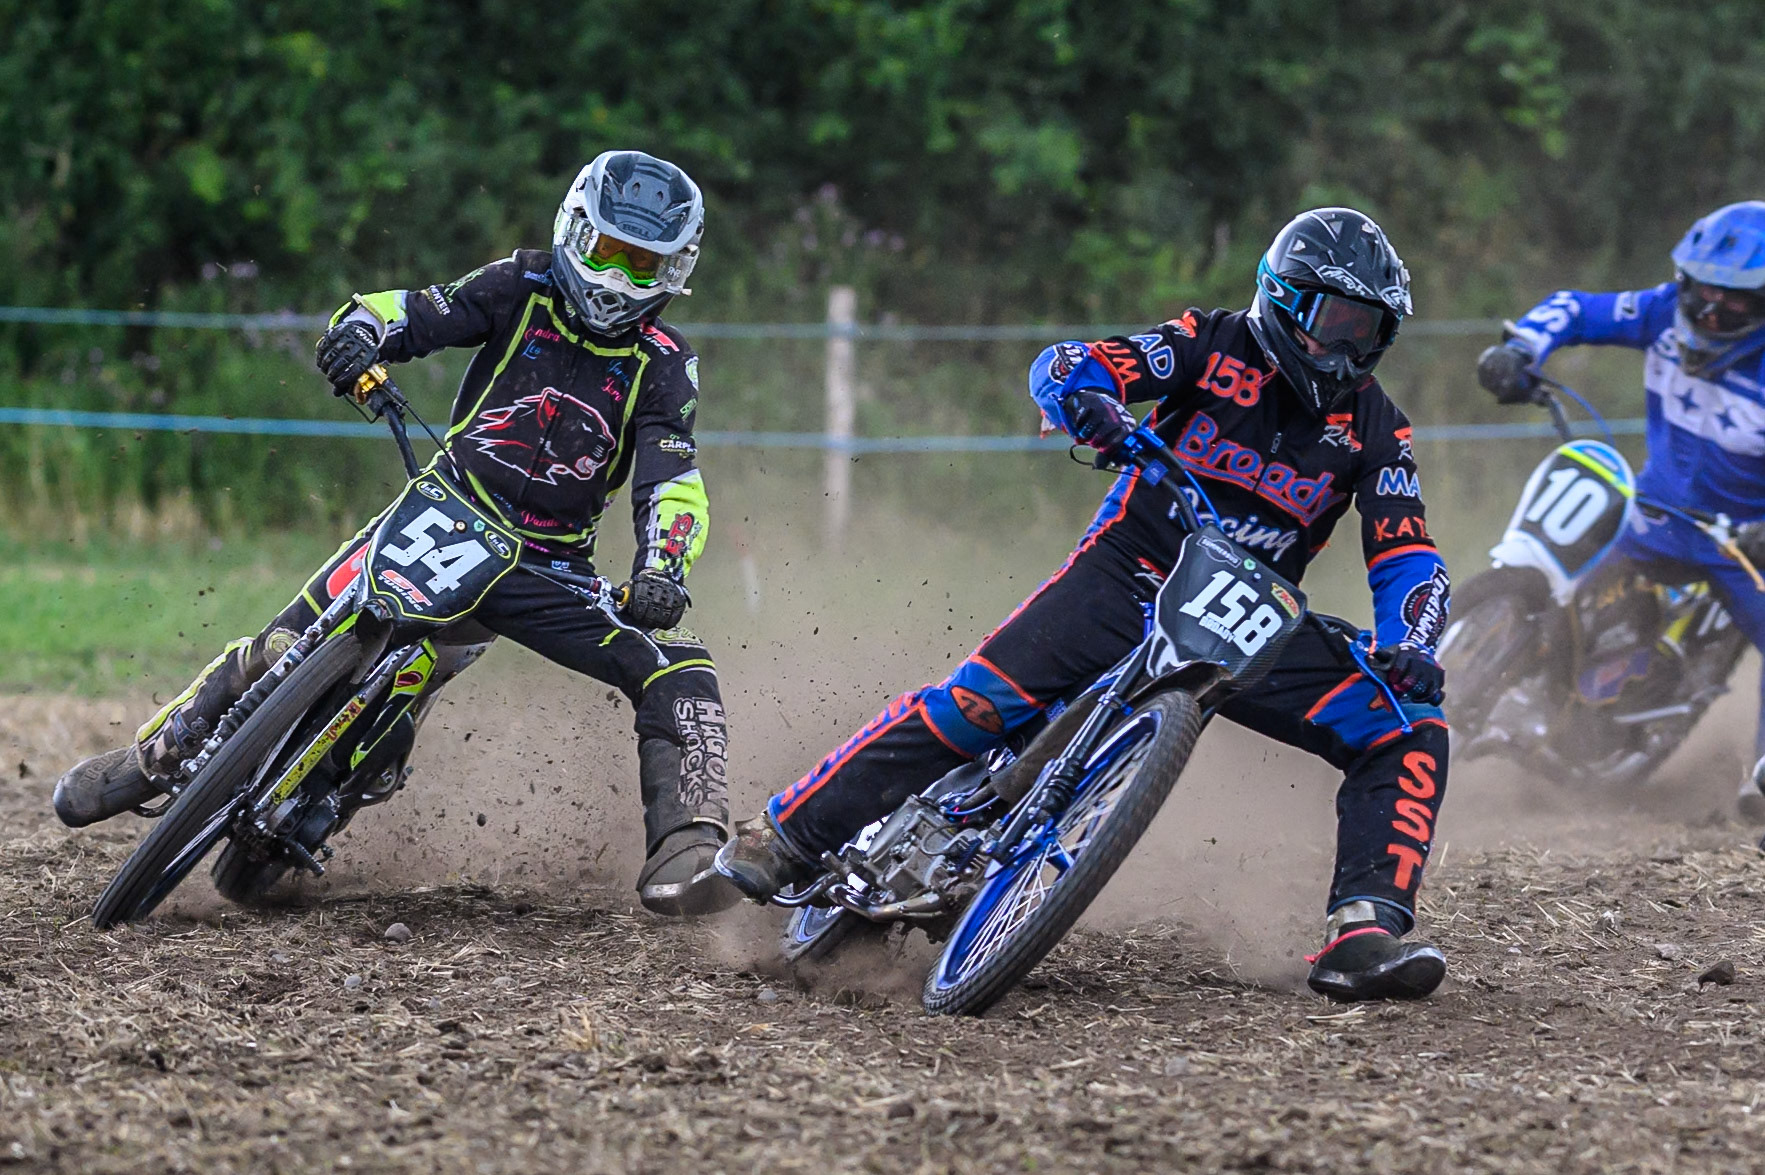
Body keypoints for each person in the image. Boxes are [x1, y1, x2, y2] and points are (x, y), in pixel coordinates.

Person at [719, 208, 1455, 1001]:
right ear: (1282, 299)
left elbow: (1405, 548)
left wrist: (1412, 640)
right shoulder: (1208, 344)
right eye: (1336, 321)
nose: (1349, 348)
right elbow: (1072, 362)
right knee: (976, 705)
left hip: (1245, 618)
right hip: (1128, 570)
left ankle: (1361, 933)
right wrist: (1092, 403)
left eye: (1369, 330)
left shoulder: (1377, 427)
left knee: (1408, 726)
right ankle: (788, 831)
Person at [54, 150, 736, 916]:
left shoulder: (666, 363)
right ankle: (155, 755)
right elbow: (415, 310)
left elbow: (671, 476)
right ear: (575, 231)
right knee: (281, 645)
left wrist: (663, 568)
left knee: (677, 665)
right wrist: (360, 332)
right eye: (607, 251)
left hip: (545, 567)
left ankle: (687, 845)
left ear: (675, 271)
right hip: (442, 509)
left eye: (641, 265)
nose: (616, 278)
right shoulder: (520, 284)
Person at [1477, 200, 1765, 819]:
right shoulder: (1661, 312)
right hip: (1652, 515)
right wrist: (1522, 349)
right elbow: (1577, 308)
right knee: (1562, 582)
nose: (1711, 310)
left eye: (1734, 300)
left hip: (1737, 543)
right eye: (1703, 291)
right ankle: (1505, 676)